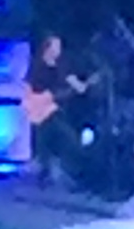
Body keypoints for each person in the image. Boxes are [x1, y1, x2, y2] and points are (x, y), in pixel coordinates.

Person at [24, 34, 94, 188]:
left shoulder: (62, 67)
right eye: (55, 46)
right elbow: (29, 90)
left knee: (61, 139)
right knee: (55, 140)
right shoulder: (37, 67)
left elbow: (77, 87)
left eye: (59, 47)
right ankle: (49, 172)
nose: (58, 50)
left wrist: (84, 85)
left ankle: (58, 172)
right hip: (42, 112)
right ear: (47, 48)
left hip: (53, 111)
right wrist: (34, 104)